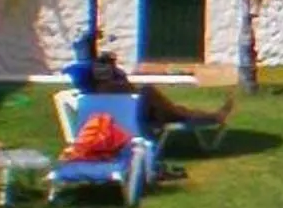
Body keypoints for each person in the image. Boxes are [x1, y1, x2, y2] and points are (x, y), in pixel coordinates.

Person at [78, 49, 233, 142]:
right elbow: (131, 94)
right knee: (168, 106)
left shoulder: (92, 94)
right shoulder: (112, 89)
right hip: (136, 122)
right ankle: (215, 117)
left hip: (132, 116)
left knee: (177, 110)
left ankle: (212, 116)